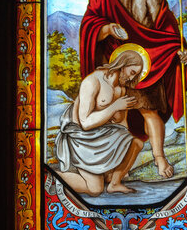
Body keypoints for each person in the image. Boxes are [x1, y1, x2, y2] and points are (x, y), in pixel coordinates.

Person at [80, 0, 187, 179]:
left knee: (150, 111)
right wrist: (107, 28)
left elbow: (166, 21)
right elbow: (89, 23)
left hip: (150, 59)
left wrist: (178, 47)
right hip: (118, 61)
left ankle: (160, 159)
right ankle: (118, 169)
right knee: (119, 117)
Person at [55, 50, 144, 196]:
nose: (131, 78)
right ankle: (54, 175)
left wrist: (122, 157)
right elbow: (85, 123)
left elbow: (121, 124)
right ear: (123, 64)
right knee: (95, 189)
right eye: (132, 72)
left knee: (136, 143)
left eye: (135, 75)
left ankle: (115, 183)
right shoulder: (93, 82)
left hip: (103, 135)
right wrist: (115, 107)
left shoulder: (120, 88)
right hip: (81, 138)